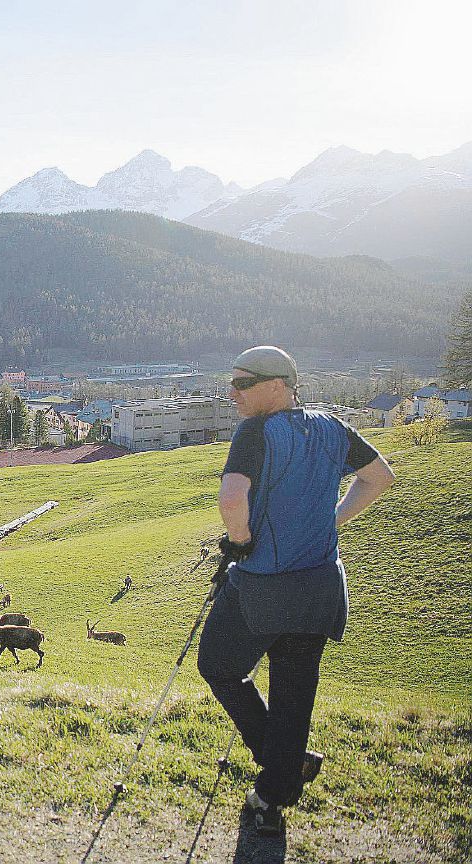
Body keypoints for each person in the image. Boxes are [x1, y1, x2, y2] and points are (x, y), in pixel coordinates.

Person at [197, 346, 394, 835]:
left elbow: (231, 498)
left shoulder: (256, 432)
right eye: (233, 381)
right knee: (295, 688)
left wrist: (239, 541)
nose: (233, 392)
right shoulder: (331, 427)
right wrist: (331, 522)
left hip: (261, 585)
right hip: (322, 584)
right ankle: (275, 789)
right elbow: (380, 477)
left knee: (218, 665)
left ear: (280, 384)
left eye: (244, 383)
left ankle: (281, 765)